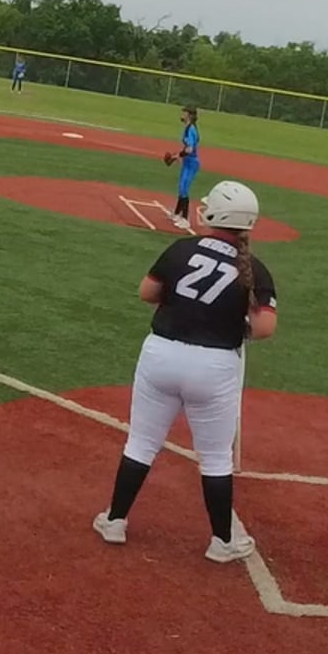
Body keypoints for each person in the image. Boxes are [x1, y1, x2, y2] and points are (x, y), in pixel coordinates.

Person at [93, 180, 277, 564]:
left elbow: (147, 292)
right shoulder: (255, 269)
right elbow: (264, 328)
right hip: (215, 366)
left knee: (141, 443)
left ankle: (115, 520)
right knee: (215, 457)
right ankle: (222, 542)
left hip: (161, 354)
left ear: (216, 214)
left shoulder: (181, 248)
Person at [169, 106, 202, 230]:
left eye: (184, 113)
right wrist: (179, 156)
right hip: (187, 162)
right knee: (181, 187)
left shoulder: (191, 129)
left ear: (190, 115)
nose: (182, 115)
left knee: (184, 189)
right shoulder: (188, 128)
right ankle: (177, 214)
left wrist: (179, 155)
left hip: (192, 163)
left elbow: (190, 149)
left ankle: (185, 219)